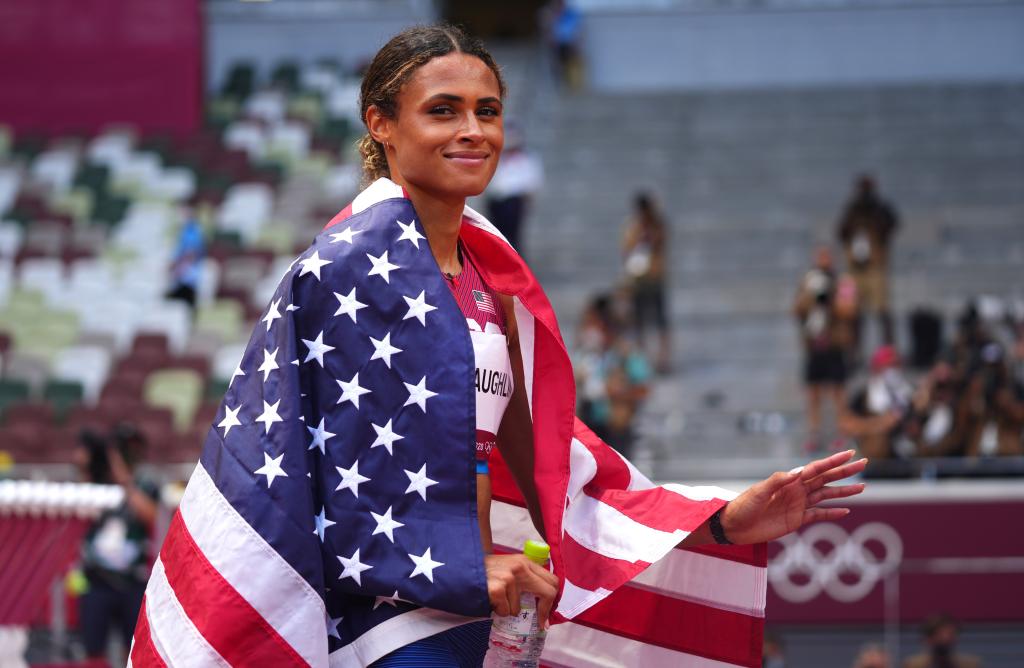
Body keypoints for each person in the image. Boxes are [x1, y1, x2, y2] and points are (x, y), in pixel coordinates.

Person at [131, 25, 868, 667]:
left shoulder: (490, 274)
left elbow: (552, 457)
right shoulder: (348, 267)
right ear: (380, 124)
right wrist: (460, 569)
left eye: (488, 111)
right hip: (384, 623)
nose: (474, 131)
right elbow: (332, 466)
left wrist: (716, 519)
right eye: (442, 111)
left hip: (486, 613)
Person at [75, 424, 158, 661]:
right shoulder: (97, 483)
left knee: (131, 648)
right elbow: (81, 508)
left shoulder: (146, 485)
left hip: (132, 580)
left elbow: (149, 514)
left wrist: (124, 479)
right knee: (92, 650)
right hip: (96, 579)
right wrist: (87, 465)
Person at [793, 246, 858, 452]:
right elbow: (797, 309)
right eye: (819, 256)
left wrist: (831, 298)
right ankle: (814, 433)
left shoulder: (843, 283)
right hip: (815, 345)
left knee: (838, 392)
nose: (823, 261)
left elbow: (850, 310)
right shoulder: (808, 281)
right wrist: (812, 296)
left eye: (826, 256)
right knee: (814, 392)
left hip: (835, 344)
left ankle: (842, 433)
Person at [837, 174, 899, 349]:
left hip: (875, 267)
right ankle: (853, 351)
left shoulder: (880, 209)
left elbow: (891, 226)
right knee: (853, 312)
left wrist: (875, 209)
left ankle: (888, 348)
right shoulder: (852, 210)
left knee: (882, 309)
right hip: (855, 267)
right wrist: (856, 210)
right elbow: (841, 232)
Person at [622, 191, 671, 373]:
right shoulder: (632, 227)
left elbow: (661, 241)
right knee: (639, 322)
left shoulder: (658, 225)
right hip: (638, 279)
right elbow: (626, 249)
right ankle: (642, 360)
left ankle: (663, 359)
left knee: (661, 322)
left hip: (655, 278)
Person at [485, 122, 542, 253]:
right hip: (496, 201)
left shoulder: (527, 159)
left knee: (512, 237)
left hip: (513, 202)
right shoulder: (497, 159)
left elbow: (531, 183)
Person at [903, 613, 981, 668]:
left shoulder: (970, 664)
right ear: (928, 639)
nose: (946, 639)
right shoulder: (913, 665)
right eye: (940, 635)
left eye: (952, 634)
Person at [164, 207, 205, 311]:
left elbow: (191, 253)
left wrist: (179, 266)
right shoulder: (183, 231)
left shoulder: (193, 231)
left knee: (185, 306)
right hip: (180, 277)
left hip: (188, 279)